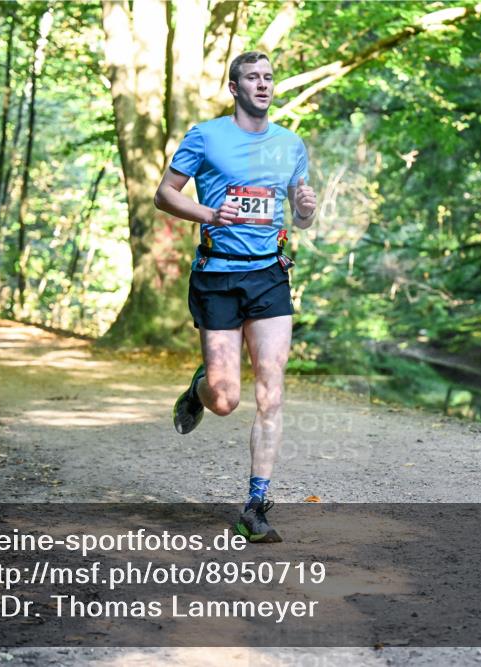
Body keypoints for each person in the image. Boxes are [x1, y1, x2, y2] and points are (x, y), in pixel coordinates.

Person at [154, 51, 317, 543]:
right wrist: (210, 215)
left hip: (269, 275)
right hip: (217, 276)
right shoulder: (206, 136)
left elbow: (299, 212)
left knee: (272, 390)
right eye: (253, 77)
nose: (263, 85)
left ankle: (256, 503)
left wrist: (307, 208)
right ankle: (201, 387)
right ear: (234, 87)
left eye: (269, 77)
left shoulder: (291, 144)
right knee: (226, 399)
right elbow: (165, 194)